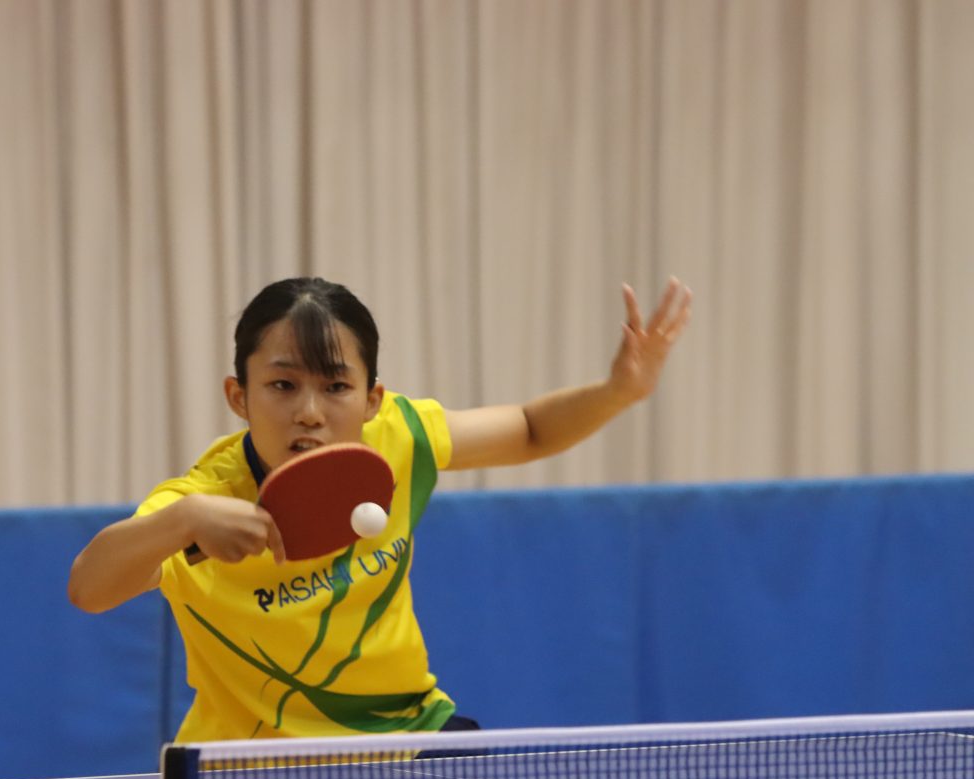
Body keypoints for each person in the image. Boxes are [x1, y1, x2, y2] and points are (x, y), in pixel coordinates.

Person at [68, 275, 691, 743]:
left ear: (371, 399)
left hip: (407, 737)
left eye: (336, 386)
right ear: (239, 396)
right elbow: (89, 590)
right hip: (256, 766)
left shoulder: (397, 436)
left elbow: (528, 429)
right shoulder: (201, 503)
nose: (310, 411)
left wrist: (619, 392)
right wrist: (182, 522)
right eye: (283, 385)